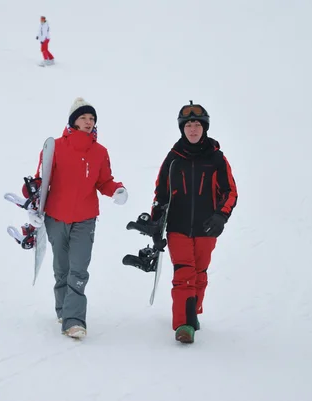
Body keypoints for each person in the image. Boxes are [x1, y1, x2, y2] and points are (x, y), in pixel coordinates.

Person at [27, 97, 127, 339]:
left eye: (92, 118)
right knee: (62, 267)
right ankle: (63, 308)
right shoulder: (55, 147)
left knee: (79, 269)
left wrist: (117, 190)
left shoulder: (100, 152)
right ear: (73, 121)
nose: (88, 122)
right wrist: (34, 208)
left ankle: (74, 320)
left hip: (85, 218)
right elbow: (41, 181)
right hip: (55, 217)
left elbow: (103, 181)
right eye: (83, 117)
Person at [151, 101, 238, 344]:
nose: (192, 129)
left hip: (206, 227)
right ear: (182, 129)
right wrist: (156, 224)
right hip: (178, 227)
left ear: (204, 128)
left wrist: (221, 216)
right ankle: (184, 324)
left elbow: (230, 192)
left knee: (199, 273)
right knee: (184, 274)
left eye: (197, 124)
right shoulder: (173, 159)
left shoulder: (217, 159)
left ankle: (193, 312)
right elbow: (161, 195)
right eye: (188, 124)